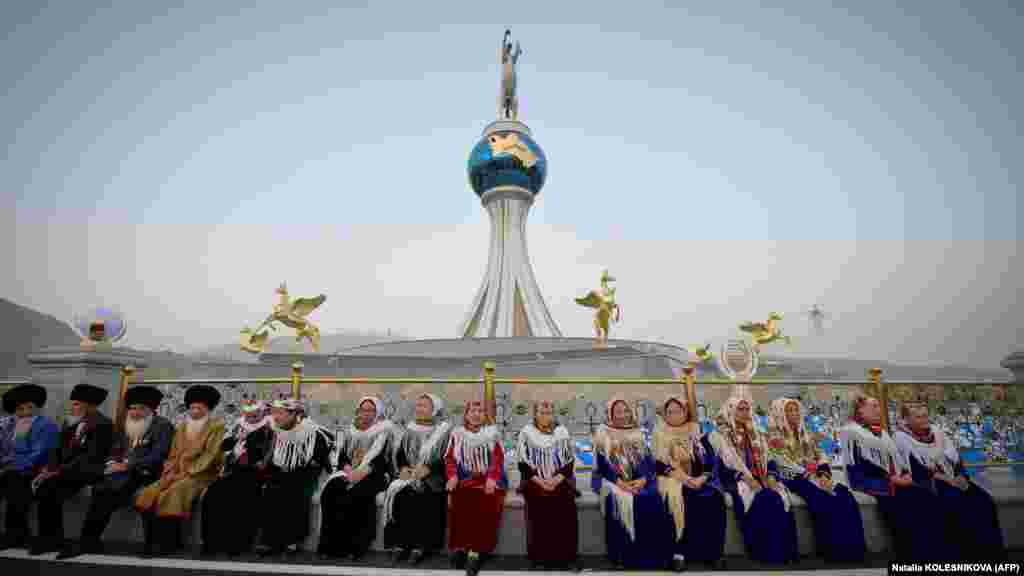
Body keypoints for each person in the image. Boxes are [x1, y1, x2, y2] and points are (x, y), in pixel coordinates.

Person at [59, 385, 174, 558]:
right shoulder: (125, 423)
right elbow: (114, 448)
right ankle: (89, 541)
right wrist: (112, 462)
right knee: (101, 490)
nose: (135, 413)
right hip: (120, 472)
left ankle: (153, 545)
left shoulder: (163, 425)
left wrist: (129, 465)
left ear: (151, 409)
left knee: (145, 496)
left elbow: (159, 454)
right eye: (132, 408)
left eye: (140, 409)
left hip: (147, 472)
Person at [893, 401, 1005, 561]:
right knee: (955, 502)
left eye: (925, 415)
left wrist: (961, 476)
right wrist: (945, 479)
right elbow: (913, 470)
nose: (924, 419)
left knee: (984, 500)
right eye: (918, 417)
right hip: (928, 483)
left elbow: (955, 459)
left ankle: (988, 556)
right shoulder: (901, 438)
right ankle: (962, 556)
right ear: (905, 420)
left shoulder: (938, 433)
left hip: (951, 477)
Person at [840, 392, 940, 561]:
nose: (878, 410)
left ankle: (929, 552)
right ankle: (908, 554)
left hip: (892, 479)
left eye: (878, 406)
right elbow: (859, 464)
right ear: (860, 410)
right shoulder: (851, 431)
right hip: (869, 481)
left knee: (925, 496)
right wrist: (891, 478)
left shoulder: (881, 432)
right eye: (873, 406)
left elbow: (896, 459)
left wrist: (906, 474)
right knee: (902, 502)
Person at [766, 397, 866, 563]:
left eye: (796, 410)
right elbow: (781, 461)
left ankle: (854, 548)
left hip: (814, 475)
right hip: (794, 478)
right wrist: (808, 472)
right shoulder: (774, 437)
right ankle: (832, 550)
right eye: (789, 411)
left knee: (844, 495)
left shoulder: (807, 433)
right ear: (780, 414)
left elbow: (821, 454)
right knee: (822, 499)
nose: (794, 414)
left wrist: (824, 474)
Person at [135, 385, 225, 557]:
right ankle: (150, 542)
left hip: (202, 475)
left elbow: (211, 455)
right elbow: (174, 453)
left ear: (209, 409)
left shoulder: (216, 426)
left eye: (200, 408)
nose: (195, 411)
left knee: (172, 493)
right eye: (192, 407)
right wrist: (169, 470)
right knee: (150, 492)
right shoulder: (183, 426)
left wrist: (188, 472)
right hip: (177, 472)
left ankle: (167, 544)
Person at [708, 395, 799, 565]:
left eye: (746, 409)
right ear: (731, 410)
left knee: (778, 495)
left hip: (762, 477)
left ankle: (785, 552)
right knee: (765, 498)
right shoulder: (719, 435)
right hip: (738, 479)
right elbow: (719, 466)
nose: (744, 413)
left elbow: (770, 458)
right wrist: (746, 479)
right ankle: (766, 553)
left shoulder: (756, 432)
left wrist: (771, 476)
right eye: (740, 409)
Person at [32, 383, 114, 556]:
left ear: (90, 405)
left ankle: (61, 540)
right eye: (73, 403)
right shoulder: (70, 421)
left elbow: (91, 456)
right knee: (45, 488)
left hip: (88, 471)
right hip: (65, 471)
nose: (73, 407)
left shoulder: (103, 424)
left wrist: (58, 471)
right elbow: (57, 449)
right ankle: (50, 539)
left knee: (53, 487)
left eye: (77, 404)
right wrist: (50, 468)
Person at [591, 398, 671, 570]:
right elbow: (602, 464)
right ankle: (624, 557)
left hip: (640, 478)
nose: (622, 415)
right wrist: (621, 483)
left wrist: (643, 480)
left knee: (651, 497)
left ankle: (652, 555)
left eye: (625, 410)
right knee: (619, 500)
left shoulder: (640, 431)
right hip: (613, 480)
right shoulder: (603, 432)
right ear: (611, 414)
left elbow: (649, 460)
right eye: (617, 411)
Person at [654, 395, 727, 572]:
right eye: (670, 412)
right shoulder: (660, 433)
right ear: (665, 414)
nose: (674, 415)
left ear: (685, 412)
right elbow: (659, 464)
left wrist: (702, 478)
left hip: (698, 478)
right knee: (680, 500)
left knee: (715, 497)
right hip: (673, 479)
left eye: (678, 411)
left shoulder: (695, 430)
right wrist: (686, 480)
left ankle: (712, 553)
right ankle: (679, 553)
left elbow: (709, 459)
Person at [318, 396, 393, 560]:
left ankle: (356, 546)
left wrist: (362, 472)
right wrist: (348, 469)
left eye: (370, 410)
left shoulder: (385, 430)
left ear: (378, 412)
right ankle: (330, 545)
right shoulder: (351, 430)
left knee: (357, 493)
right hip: (350, 471)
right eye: (363, 410)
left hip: (374, 474)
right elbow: (343, 455)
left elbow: (384, 459)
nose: (365, 414)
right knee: (331, 490)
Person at [260, 398, 333, 557]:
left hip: (307, 472)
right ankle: (271, 540)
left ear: (293, 414)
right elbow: (273, 457)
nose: (276, 417)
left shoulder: (312, 431)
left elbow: (321, 458)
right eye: (274, 413)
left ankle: (292, 540)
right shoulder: (276, 429)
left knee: (296, 494)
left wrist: (302, 468)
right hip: (282, 471)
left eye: (280, 413)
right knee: (271, 491)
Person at [383, 393, 451, 565]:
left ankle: (421, 546)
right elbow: (400, 454)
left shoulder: (444, 430)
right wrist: (404, 467)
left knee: (422, 495)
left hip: (433, 477)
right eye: (418, 405)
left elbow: (448, 457)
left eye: (424, 406)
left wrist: (429, 469)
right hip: (411, 474)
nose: (419, 409)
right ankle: (401, 543)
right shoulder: (411, 428)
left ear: (434, 409)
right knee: (400, 494)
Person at [200, 398, 274, 557]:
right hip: (232, 471)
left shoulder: (268, 429)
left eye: (255, 416)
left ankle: (237, 544)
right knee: (212, 495)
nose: (251, 419)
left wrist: (248, 447)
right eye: (248, 415)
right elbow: (224, 447)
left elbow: (265, 455)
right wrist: (236, 441)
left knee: (242, 499)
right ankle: (211, 542)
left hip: (253, 473)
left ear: (261, 414)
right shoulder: (237, 426)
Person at [517, 400, 580, 571]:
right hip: (534, 481)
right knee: (538, 506)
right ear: (535, 414)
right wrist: (540, 481)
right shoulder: (526, 432)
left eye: (550, 413)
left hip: (559, 480)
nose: (546, 416)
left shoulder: (562, 432)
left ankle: (565, 557)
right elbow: (523, 463)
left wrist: (555, 480)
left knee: (566, 506)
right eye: (542, 412)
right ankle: (540, 558)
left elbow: (569, 462)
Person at [446, 399, 507, 576]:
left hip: (489, 479)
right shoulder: (457, 434)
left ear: (484, 415)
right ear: (466, 414)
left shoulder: (492, 434)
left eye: (480, 411)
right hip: (465, 478)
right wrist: (453, 476)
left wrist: (492, 478)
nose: (476, 414)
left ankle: (476, 551)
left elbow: (498, 459)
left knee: (484, 500)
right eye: (472, 410)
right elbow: (450, 458)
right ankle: (462, 546)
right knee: (460, 500)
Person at [0, 384, 59, 551]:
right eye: (20, 408)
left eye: (30, 407)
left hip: (38, 469)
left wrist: (9, 465)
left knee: (14, 482)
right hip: (10, 468)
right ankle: (16, 533)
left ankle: (16, 534)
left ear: (37, 407)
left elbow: (38, 454)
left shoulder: (47, 425)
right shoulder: (5, 423)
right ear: (14, 410)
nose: (26, 412)